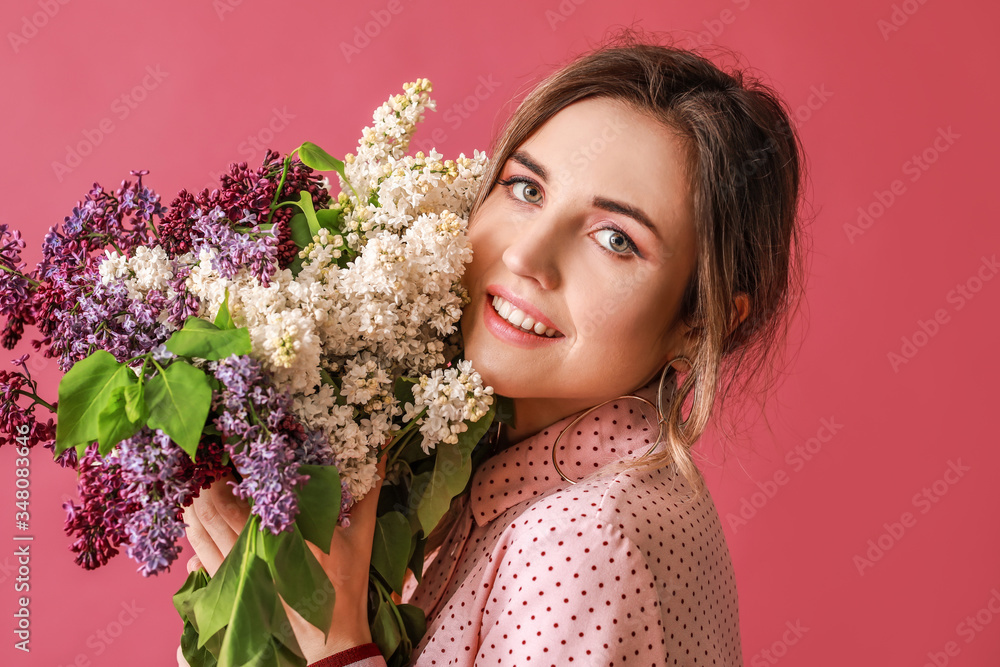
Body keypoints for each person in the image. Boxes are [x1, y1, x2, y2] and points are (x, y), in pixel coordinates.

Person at [179, 32, 808, 667]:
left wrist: (330, 643)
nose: (525, 256)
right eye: (527, 190)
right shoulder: (483, 476)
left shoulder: (582, 542)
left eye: (616, 238)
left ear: (703, 325)